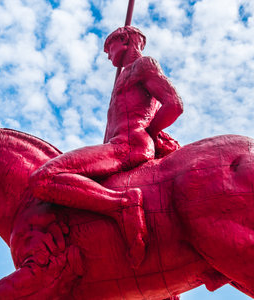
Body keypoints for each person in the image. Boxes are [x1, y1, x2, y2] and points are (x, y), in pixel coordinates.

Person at [29, 26, 183, 268]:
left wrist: (146, 134)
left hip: (128, 146)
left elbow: (174, 104)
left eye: (108, 47)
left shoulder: (144, 66)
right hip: (119, 145)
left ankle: (123, 206)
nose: (107, 55)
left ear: (123, 41)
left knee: (44, 178)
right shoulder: (124, 76)